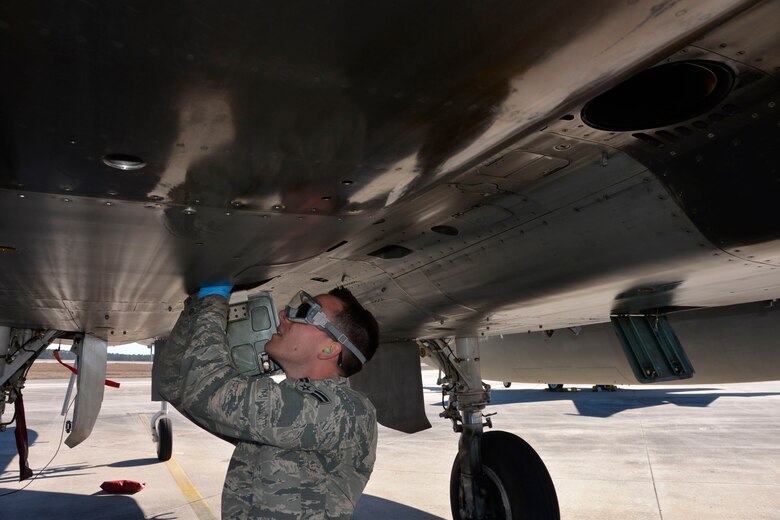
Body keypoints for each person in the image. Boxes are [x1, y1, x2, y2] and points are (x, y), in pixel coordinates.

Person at [155, 284, 380, 519]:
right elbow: (176, 385)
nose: (284, 314)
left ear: (328, 349)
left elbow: (207, 389)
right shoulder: (288, 401)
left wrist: (213, 299)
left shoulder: (343, 410)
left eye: (305, 311)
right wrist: (196, 306)